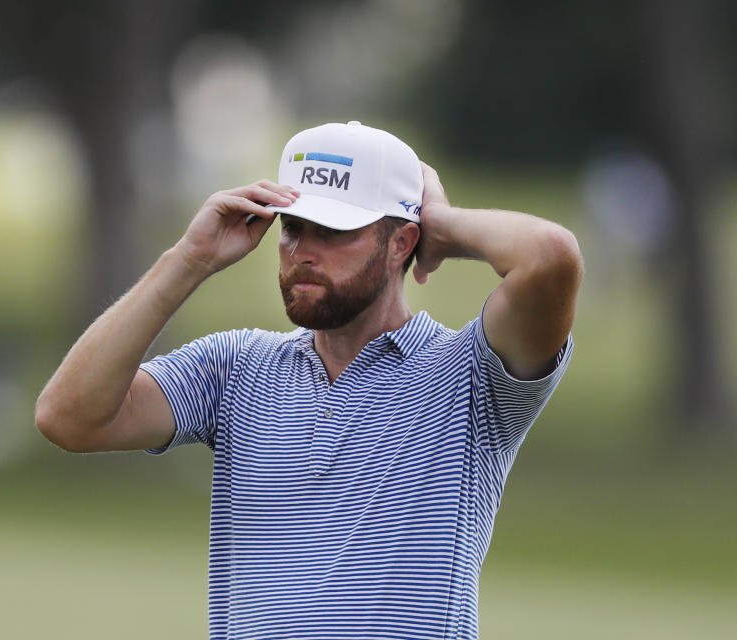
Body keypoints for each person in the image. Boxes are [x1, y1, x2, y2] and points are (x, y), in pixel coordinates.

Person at [35, 121, 583, 640]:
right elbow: (69, 417)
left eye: (334, 231)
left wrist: (443, 223)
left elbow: (550, 258)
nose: (303, 253)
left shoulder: (469, 374)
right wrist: (189, 259)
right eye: (293, 228)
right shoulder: (237, 367)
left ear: (400, 242)